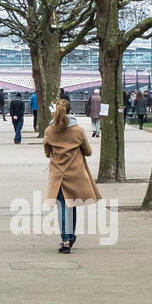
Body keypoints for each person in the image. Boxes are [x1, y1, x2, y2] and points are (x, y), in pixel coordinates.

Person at [43, 98, 102, 252]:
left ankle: (66, 241)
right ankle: (70, 236)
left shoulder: (49, 131)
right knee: (72, 205)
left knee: (62, 207)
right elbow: (88, 152)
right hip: (76, 173)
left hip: (58, 175)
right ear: (70, 111)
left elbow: (47, 152)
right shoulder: (78, 130)